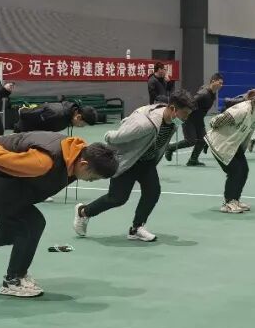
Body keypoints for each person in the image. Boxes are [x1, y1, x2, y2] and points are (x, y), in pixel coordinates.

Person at [0, 131, 117, 297]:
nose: (90, 181)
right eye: (93, 178)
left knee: (14, 231)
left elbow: (24, 139)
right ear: (84, 164)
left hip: (11, 180)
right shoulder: (43, 162)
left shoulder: (76, 152)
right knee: (30, 225)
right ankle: (13, 280)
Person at [73, 90, 194, 242]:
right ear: (173, 109)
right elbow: (113, 137)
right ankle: (83, 212)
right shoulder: (144, 125)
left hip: (147, 161)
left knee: (152, 192)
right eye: (185, 113)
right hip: (128, 162)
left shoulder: (173, 121)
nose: (186, 118)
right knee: (117, 198)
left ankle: (137, 228)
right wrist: (110, 147)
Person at [205, 87, 255, 213]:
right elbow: (214, 121)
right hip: (221, 143)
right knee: (235, 171)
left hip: (233, 144)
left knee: (244, 170)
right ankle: (228, 203)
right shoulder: (242, 109)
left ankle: (235, 200)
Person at [166, 73, 224, 166]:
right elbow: (190, 103)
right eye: (219, 83)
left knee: (203, 140)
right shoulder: (203, 94)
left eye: (222, 83)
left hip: (199, 119)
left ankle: (193, 160)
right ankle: (170, 148)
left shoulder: (212, 93)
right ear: (213, 81)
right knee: (190, 141)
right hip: (189, 119)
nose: (221, 85)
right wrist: (178, 117)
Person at [13, 100, 98, 133]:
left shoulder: (67, 114)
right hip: (24, 132)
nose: (82, 127)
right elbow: (25, 114)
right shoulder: (57, 114)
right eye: (83, 124)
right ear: (78, 117)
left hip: (35, 133)